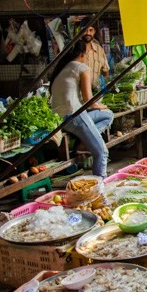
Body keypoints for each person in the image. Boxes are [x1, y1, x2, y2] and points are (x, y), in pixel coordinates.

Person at [50, 40, 113, 178]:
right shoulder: (81, 68)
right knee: (101, 153)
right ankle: (100, 186)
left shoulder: (62, 68)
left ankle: (84, 142)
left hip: (61, 119)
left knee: (108, 115)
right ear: (83, 53)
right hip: (74, 116)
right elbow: (89, 101)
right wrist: (99, 105)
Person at [80, 17, 109, 91]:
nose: (88, 33)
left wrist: (103, 85)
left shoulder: (99, 50)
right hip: (78, 93)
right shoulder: (74, 50)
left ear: (94, 31)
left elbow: (105, 71)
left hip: (95, 92)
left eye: (91, 30)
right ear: (80, 31)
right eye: (85, 30)